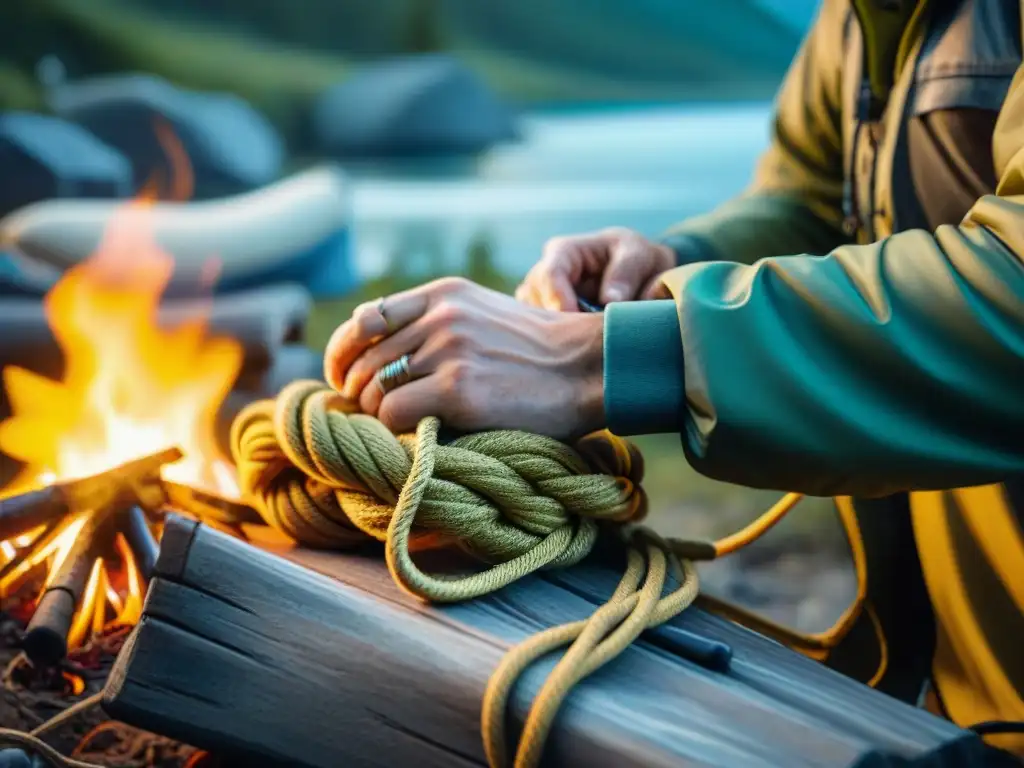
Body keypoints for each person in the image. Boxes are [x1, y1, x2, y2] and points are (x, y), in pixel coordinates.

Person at [324, 0, 1024, 753]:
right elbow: (821, 201)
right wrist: (667, 270)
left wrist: (594, 357)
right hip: (966, 690)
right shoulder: (855, 16)